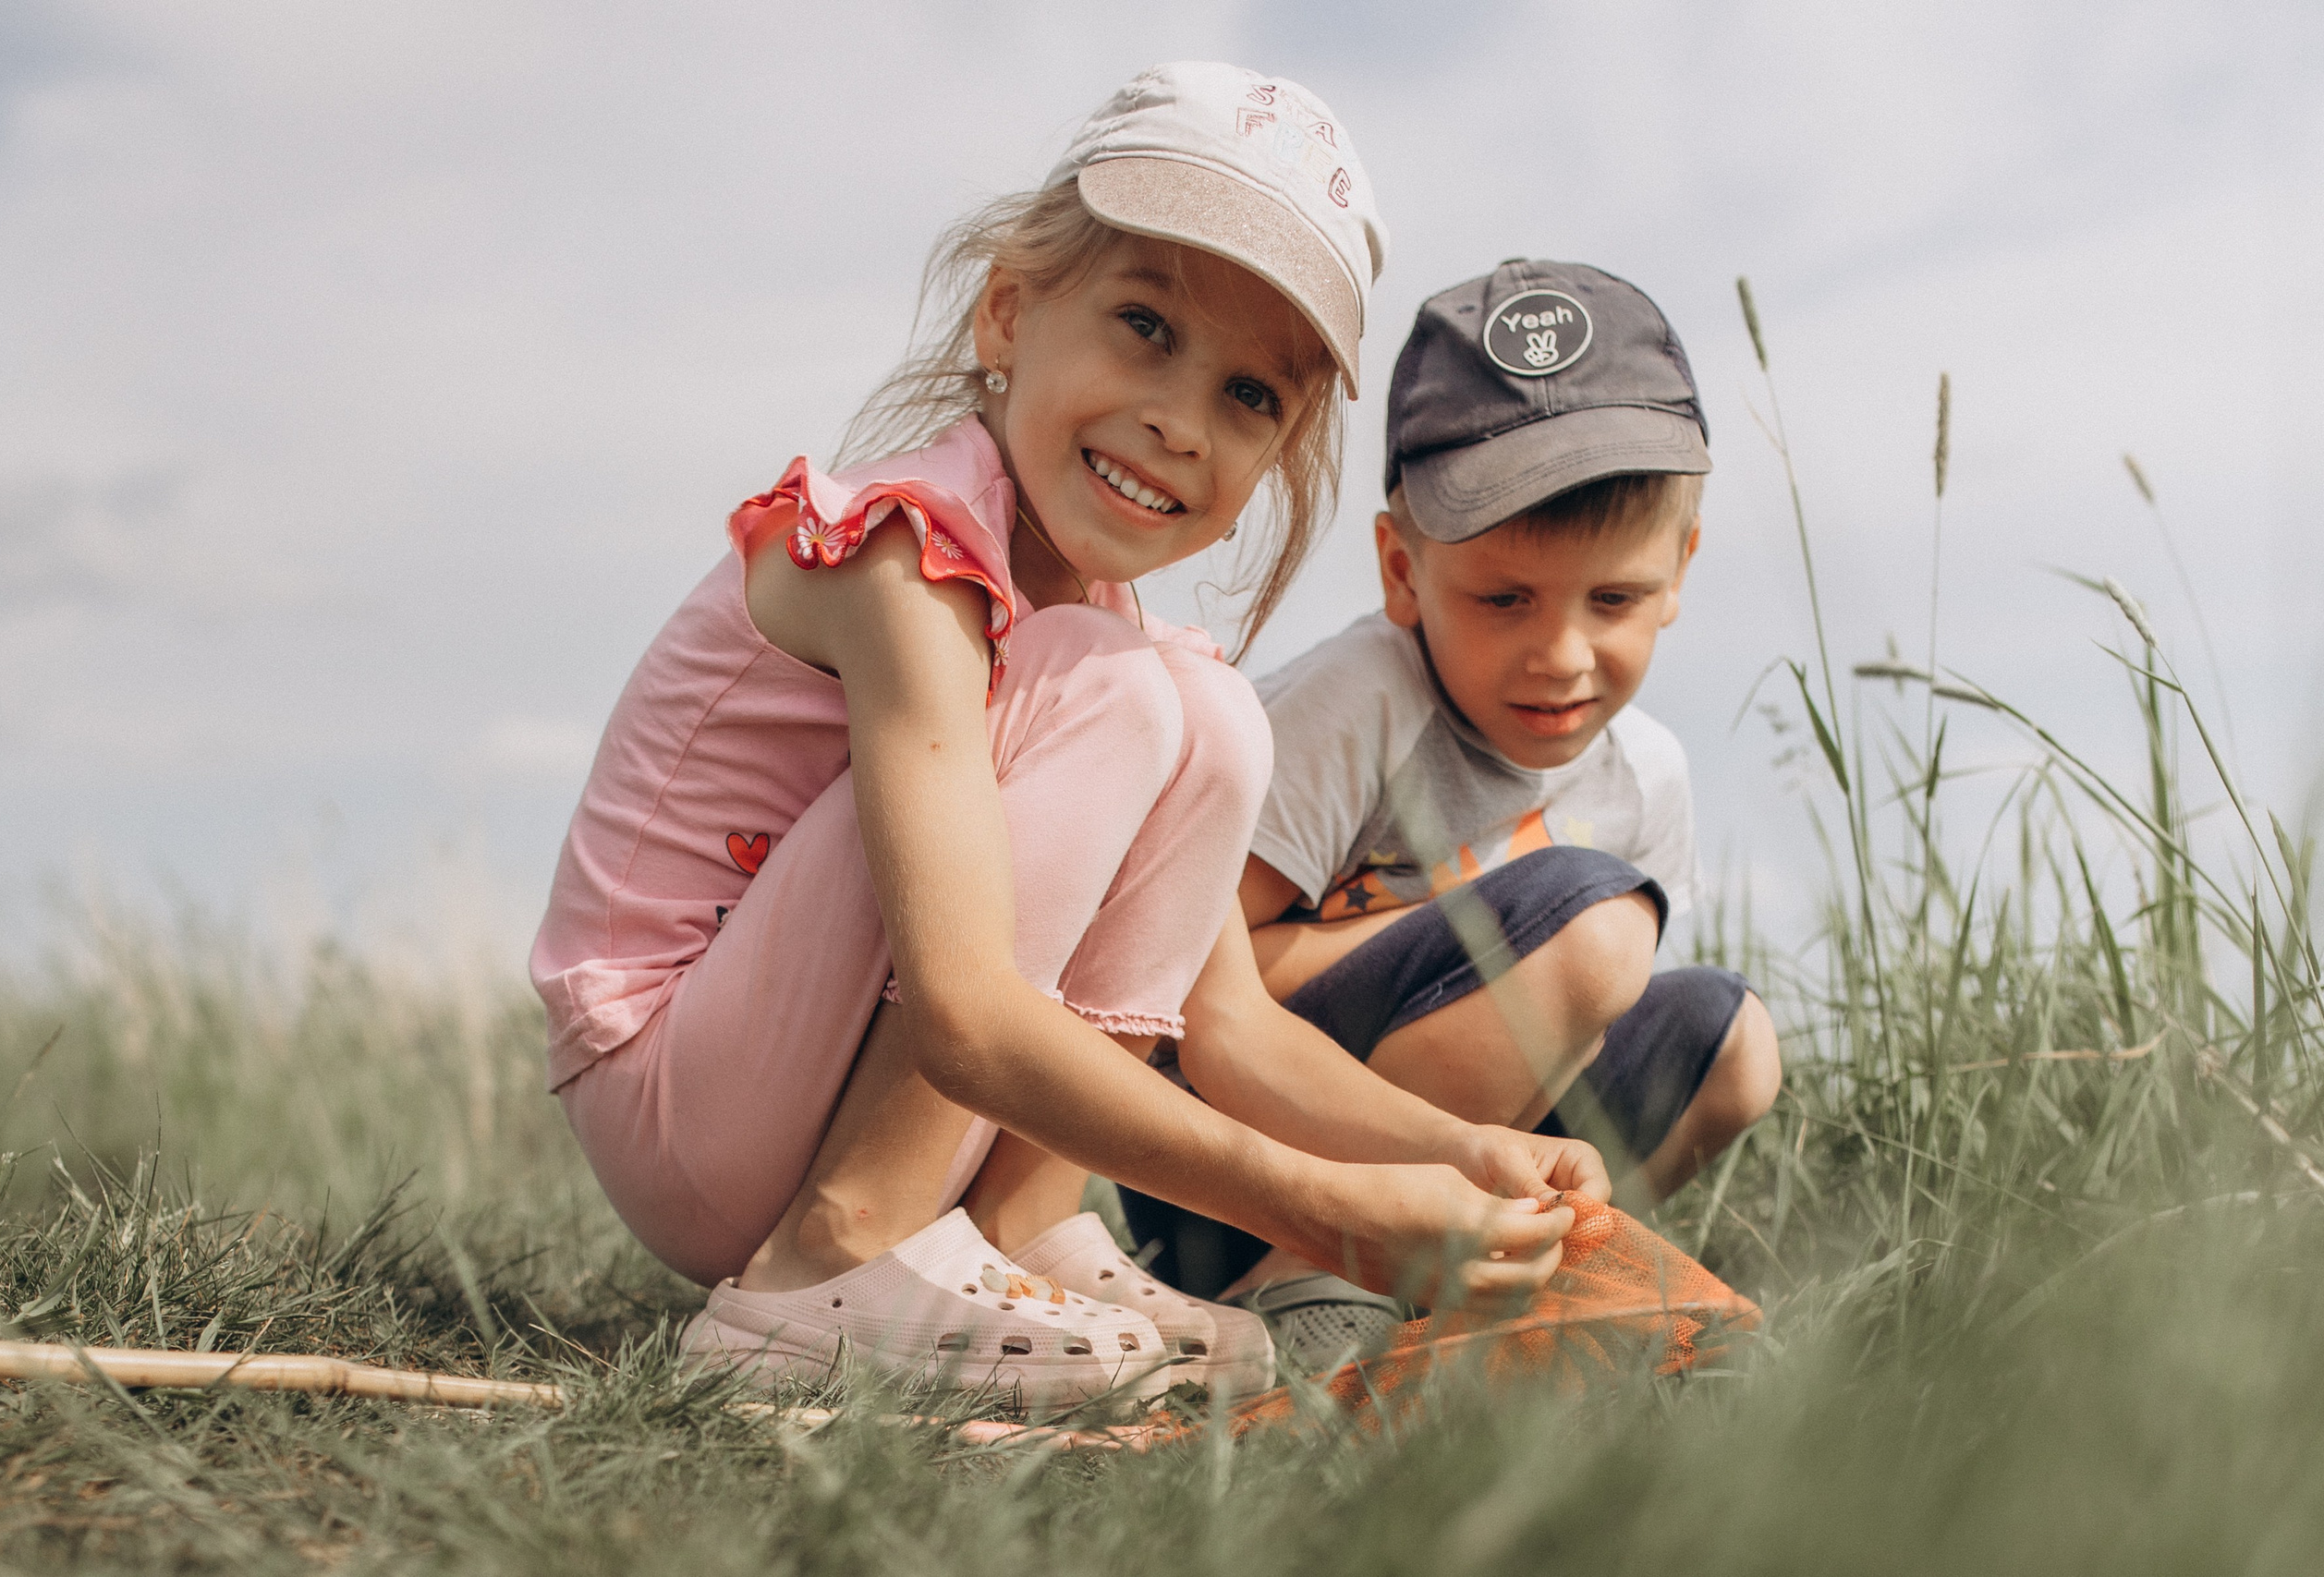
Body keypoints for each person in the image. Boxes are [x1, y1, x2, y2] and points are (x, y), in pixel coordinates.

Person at [529, 67, 1607, 1412]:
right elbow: (972, 1014)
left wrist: (1462, 1152)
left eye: (1249, 397)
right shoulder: (908, 564)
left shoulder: (1100, 632)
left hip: (788, 1067)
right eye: (1144, 325)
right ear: (1009, 310)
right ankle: (832, 1255)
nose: (1178, 421)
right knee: (1127, 689)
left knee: (1207, 710)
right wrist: (1331, 1213)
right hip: (679, 1097)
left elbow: (1221, 1026)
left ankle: (1010, 1228)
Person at [1120, 261, 1783, 1364]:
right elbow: (1173, 982)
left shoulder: (1648, 776)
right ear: (1401, 570)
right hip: (1243, 1170)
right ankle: (1308, 1276)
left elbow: (1595, 1028)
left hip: (1469, 1144)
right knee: (1590, 928)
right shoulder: (1360, 704)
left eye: (1612, 599)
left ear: (1679, 572)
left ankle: (1515, 1280)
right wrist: (1507, 926)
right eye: (1502, 598)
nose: (1562, 656)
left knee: (1734, 1041)